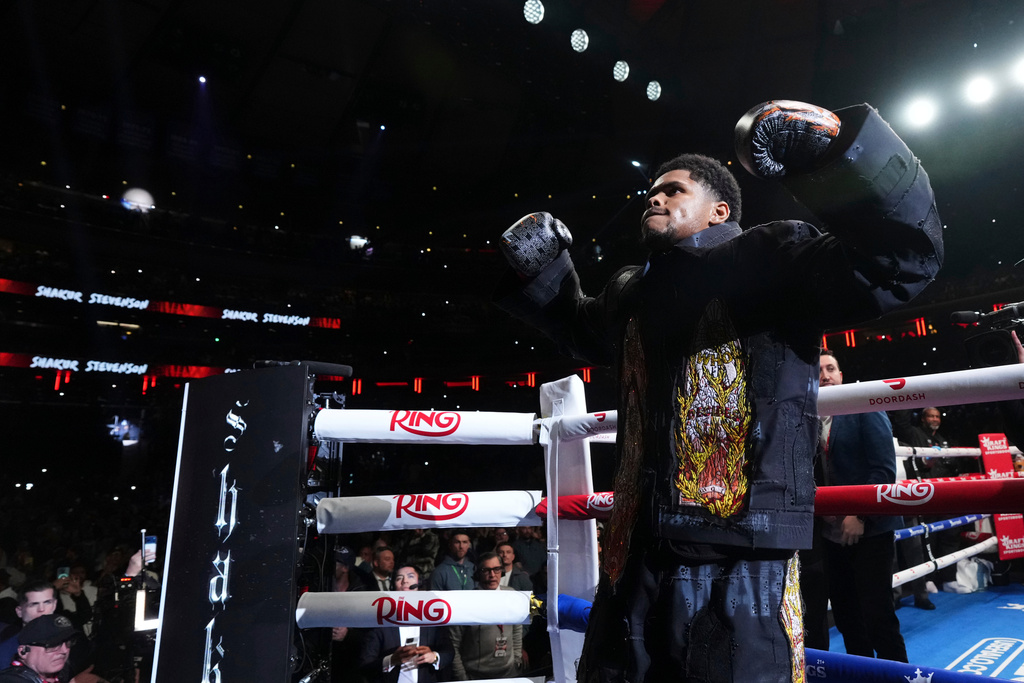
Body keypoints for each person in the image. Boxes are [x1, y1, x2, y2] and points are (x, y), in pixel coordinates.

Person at [495, 100, 942, 682]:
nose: (655, 199)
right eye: (651, 193)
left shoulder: (768, 255)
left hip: (738, 551)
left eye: (674, 190)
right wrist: (542, 271)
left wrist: (837, 155)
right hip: (633, 545)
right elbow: (580, 328)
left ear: (719, 210)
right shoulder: (631, 291)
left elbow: (899, 259)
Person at [804, 349, 908, 661]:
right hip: (829, 535)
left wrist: (859, 514)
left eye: (830, 369)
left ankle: (896, 678)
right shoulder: (808, 419)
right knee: (847, 619)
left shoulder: (864, 405)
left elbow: (883, 469)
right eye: (818, 371)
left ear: (841, 376)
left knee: (878, 616)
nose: (825, 376)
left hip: (871, 530)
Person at [357, 565, 452, 683]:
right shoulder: (381, 622)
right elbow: (365, 665)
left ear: (420, 584)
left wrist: (434, 657)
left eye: (410, 576)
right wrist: (391, 660)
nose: (405, 581)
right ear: (393, 587)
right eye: (399, 578)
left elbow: (449, 652)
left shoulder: (432, 620)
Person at [448, 554, 524, 680]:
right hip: (475, 676)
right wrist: (462, 678)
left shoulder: (512, 595)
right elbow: (454, 645)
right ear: (478, 573)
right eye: (486, 570)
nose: (492, 575)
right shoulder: (465, 602)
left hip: (510, 673)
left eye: (496, 569)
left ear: (502, 571)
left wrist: (516, 660)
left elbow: (517, 630)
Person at [0, 614, 77, 683]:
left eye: (68, 642)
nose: (64, 650)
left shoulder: (64, 672)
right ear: (23, 651)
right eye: (53, 644)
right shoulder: (9, 680)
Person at [0, 582, 58, 670]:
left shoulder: (67, 642)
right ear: (19, 611)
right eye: (34, 604)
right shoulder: (6, 651)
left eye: (47, 602)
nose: (41, 609)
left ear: (54, 605)